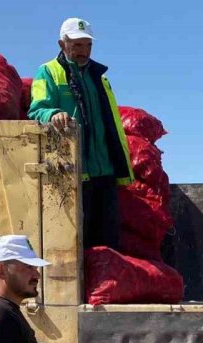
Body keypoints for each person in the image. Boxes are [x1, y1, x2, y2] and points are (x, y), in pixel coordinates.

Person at [28, 17, 134, 250]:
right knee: (79, 245)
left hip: (104, 171)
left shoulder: (99, 77)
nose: (83, 51)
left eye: (87, 45)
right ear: (61, 44)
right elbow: (37, 110)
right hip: (74, 172)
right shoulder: (47, 72)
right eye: (76, 45)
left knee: (109, 242)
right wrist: (53, 113)